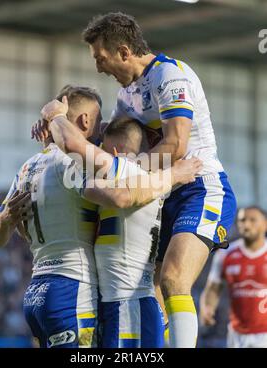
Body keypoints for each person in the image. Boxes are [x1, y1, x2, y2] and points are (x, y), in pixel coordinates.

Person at [0, 85, 200, 349]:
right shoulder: (72, 163)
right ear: (86, 120)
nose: (99, 136)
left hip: (37, 292)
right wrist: (173, 176)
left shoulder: (27, 167)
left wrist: (6, 219)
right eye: (99, 124)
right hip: (73, 289)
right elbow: (119, 196)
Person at [81, 12, 237, 347]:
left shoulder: (170, 76)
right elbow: (109, 147)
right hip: (161, 192)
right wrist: (61, 129)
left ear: (124, 51)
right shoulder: (127, 96)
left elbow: (176, 146)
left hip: (200, 188)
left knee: (173, 278)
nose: (99, 68)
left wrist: (127, 172)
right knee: (148, 289)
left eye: (101, 58)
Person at [200, 206, 267, 348]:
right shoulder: (225, 254)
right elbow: (213, 287)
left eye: (252, 220)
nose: (246, 224)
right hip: (236, 334)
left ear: (265, 224)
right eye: (242, 220)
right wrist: (208, 307)